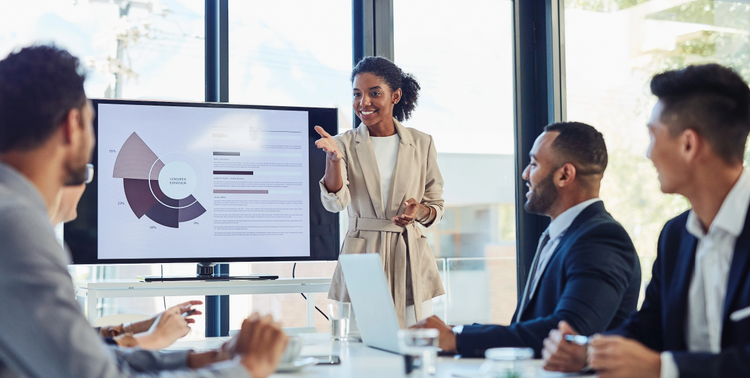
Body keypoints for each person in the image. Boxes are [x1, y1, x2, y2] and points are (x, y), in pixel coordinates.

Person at [0, 44, 288, 378]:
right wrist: (247, 369)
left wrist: (194, 359)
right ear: (72, 124)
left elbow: (80, 358)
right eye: (92, 123)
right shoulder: (17, 226)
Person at [542, 64, 750, 378]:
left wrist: (664, 368)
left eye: (652, 136)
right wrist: (589, 352)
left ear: (688, 144)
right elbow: (648, 327)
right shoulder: (676, 235)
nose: (648, 153)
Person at [414, 122, 641, 357]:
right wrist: (455, 332)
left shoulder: (601, 239)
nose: (525, 174)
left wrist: (458, 339)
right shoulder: (563, 236)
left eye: (534, 163)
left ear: (564, 175)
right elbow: (529, 327)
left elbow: (567, 334)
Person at [314, 56, 445, 328]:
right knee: (361, 343)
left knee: (415, 341)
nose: (364, 103)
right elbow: (335, 203)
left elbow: (435, 205)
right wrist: (334, 160)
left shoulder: (422, 143)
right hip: (362, 254)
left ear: (395, 95)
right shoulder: (342, 144)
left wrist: (418, 211)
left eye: (374, 93)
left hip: (410, 255)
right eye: (357, 94)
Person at [51, 178, 204, 350]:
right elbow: (73, 353)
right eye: (84, 174)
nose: (84, 186)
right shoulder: (39, 255)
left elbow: (71, 337)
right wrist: (157, 337)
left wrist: (145, 326)